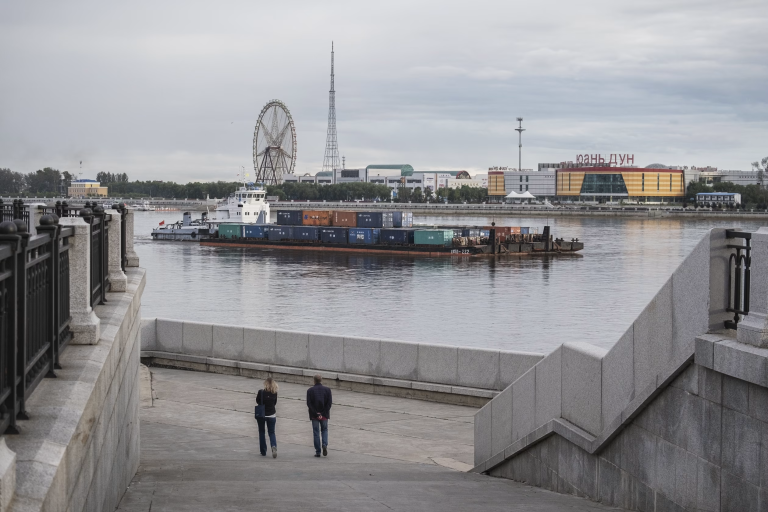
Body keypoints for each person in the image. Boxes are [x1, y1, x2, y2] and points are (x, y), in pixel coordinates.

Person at [306, 374, 332, 457]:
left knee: (316, 432)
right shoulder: (327, 390)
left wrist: (316, 414)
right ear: (321, 380)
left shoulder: (310, 391)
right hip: (324, 415)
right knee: (324, 430)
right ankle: (324, 444)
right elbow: (329, 404)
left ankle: (318, 451)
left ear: (314, 381)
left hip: (314, 416)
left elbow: (309, 404)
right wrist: (323, 413)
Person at [256, 378, 279, 458]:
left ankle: (263, 451)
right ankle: (273, 446)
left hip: (262, 415)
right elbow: (275, 403)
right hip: (272, 415)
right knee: (271, 432)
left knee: (262, 432)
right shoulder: (274, 393)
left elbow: (257, 401)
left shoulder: (261, 392)